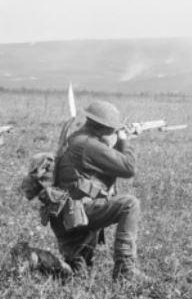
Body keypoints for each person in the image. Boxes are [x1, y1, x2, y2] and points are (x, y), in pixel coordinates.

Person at [47, 100, 143, 281]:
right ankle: (125, 270)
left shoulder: (79, 139)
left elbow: (103, 160)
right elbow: (129, 168)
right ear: (104, 129)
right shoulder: (89, 145)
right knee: (129, 204)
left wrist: (118, 140)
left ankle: (36, 260)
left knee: (78, 274)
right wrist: (124, 140)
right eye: (113, 129)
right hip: (77, 213)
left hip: (69, 216)